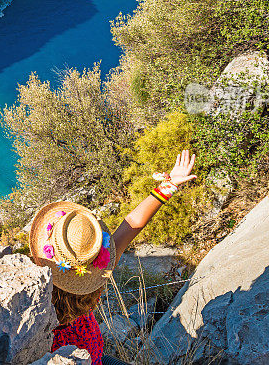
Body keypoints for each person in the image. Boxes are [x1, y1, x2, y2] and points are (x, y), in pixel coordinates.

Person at [28, 150, 197, 365]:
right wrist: (170, 184)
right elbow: (132, 223)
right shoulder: (94, 282)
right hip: (96, 357)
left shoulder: (33, 304)